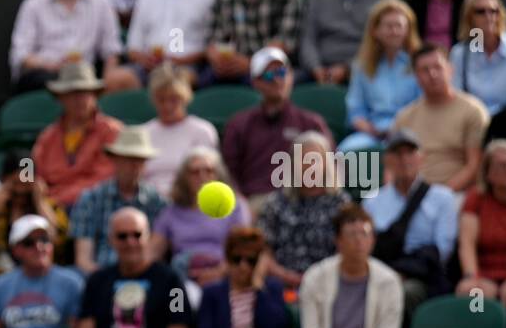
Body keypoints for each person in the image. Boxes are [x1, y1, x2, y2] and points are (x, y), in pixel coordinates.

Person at [8, 0, 130, 93]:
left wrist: (107, 82)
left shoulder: (101, 3)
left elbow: (111, 50)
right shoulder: (33, 4)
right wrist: (52, 65)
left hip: (86, 77)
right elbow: (21, 55)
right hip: (45, 75)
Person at [74, 206, 192, 328]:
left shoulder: (172, 281)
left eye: (137, 235)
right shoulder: (96, 282)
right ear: (111, 240)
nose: (130, 242)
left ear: (148, 237)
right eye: (122, 236)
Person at [362, 127, 459, 311]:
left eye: (410, 152)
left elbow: (443, 250)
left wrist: (406, 271)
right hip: (382, 272)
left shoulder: (442, 198)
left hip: (422, 275)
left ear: (421, 157)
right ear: (386, 160)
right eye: (397, 153)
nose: (404, 159)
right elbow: (366, 247)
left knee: (401, 292)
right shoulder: (372, 202)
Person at [222, 48, 331, 206]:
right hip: (255, 202)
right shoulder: (238, 124)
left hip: (302, 203)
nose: (276, 80)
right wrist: (241, 206)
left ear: (291, 76)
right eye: (268, 75)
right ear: (255, 82)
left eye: (281, 72)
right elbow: (228, 173)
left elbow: (331, 169)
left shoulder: (312, 123)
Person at [298, 204, 404, 328]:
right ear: (338, 241)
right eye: (352, 234)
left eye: (365, 234)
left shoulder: (389, 281)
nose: (359, 241)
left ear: (373, 239)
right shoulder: (314, 278)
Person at [256, 130, 352, 288]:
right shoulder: (275, 203)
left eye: (315, 159)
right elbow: (263, 250)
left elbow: (347, 251)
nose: (309, 165)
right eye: (303, 159)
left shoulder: (341, 204)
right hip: (281, 283)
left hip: (329, 284)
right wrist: (286, 276)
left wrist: (317, 279)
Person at [0, 213, 84, 328]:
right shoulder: (0, 285)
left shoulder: (72, 283)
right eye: (29, 243)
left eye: (44, 240)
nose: (39, 247)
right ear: (16, 249)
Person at [151, 146, 251, 290]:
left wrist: (219, 273)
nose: (202, 176)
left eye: (209, 170)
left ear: (218, 175)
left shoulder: (236, 207)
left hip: (225, 276)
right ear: (184, 177)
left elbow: (242, 248)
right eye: (195, 172)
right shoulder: (171, 212)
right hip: (182, 277)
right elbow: (153, 250)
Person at [393, 42, 490, 192]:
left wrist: (438, 196)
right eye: (424, 70)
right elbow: (392, 166)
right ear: (416, 76)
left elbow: (474, 166)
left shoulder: (473, 111)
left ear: (450, 70)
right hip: (410, 195)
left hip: (456, 194)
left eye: (438, 67)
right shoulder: (404, 117)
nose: (432, 74)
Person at [70, 125, 167, 272]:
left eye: (140, 160)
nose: (134, 166)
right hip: (100, 276)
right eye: (128, 159)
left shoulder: (157, 202)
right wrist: (105, 282)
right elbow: (83, 260)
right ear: (115, 160)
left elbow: (154, 254)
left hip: (144, 277)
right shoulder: (90, 199)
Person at [0, 148, 69, 286]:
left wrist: (40, 202)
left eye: (26, 184)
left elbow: (57, 242)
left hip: (43, 279)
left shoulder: (50, 207)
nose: (20, 190)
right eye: (15, 183)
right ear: (3, 181)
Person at [31, 61, 125, 209]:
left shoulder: (112, 131)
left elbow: (103, 179)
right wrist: (32, 184)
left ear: (95, 95)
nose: (80, 99)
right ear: (61, 98)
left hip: (93, 207)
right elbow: (32, 168)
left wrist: (56, 199)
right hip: (49, 207)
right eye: (72, 93)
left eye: (85, 92)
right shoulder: (47, 136)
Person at [197, 226, 296, 328]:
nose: (243, 266)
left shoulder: (271, 288)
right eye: (237, 259)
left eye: (251, 261)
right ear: (227, 259)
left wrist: (259, 285)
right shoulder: (212, 292)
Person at [340, 0, 423, 150]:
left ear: (408, 30)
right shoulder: (362, 66)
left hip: (411, 132)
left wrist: (399, 128)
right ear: (375, 30)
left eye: (399, 26)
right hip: (372, 133)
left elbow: (424, 106)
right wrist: (370, 129)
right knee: (345, 151)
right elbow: (355, 109)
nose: (394, 31)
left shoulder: (419, 64)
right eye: (388, 26)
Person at [456, 138, 506, 311]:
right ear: (488, 173)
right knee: (473, 298)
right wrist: (472, 276)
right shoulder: (476, 199)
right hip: (485, 275)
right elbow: (467, 244)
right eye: (502, 165)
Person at [140, 65, 220, 198]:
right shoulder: (142, 133)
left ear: (185, 98)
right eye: (161, 99)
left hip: (189, 201)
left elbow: (208, 176)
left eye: (173, 99)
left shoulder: (203, 131)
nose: (167, 106)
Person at [449, 0, 506, 115]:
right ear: (469, 17)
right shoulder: (459, 53)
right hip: (472, 122)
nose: (488, 16)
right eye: (481, 11)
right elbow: (457, 96)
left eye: (493, 11)